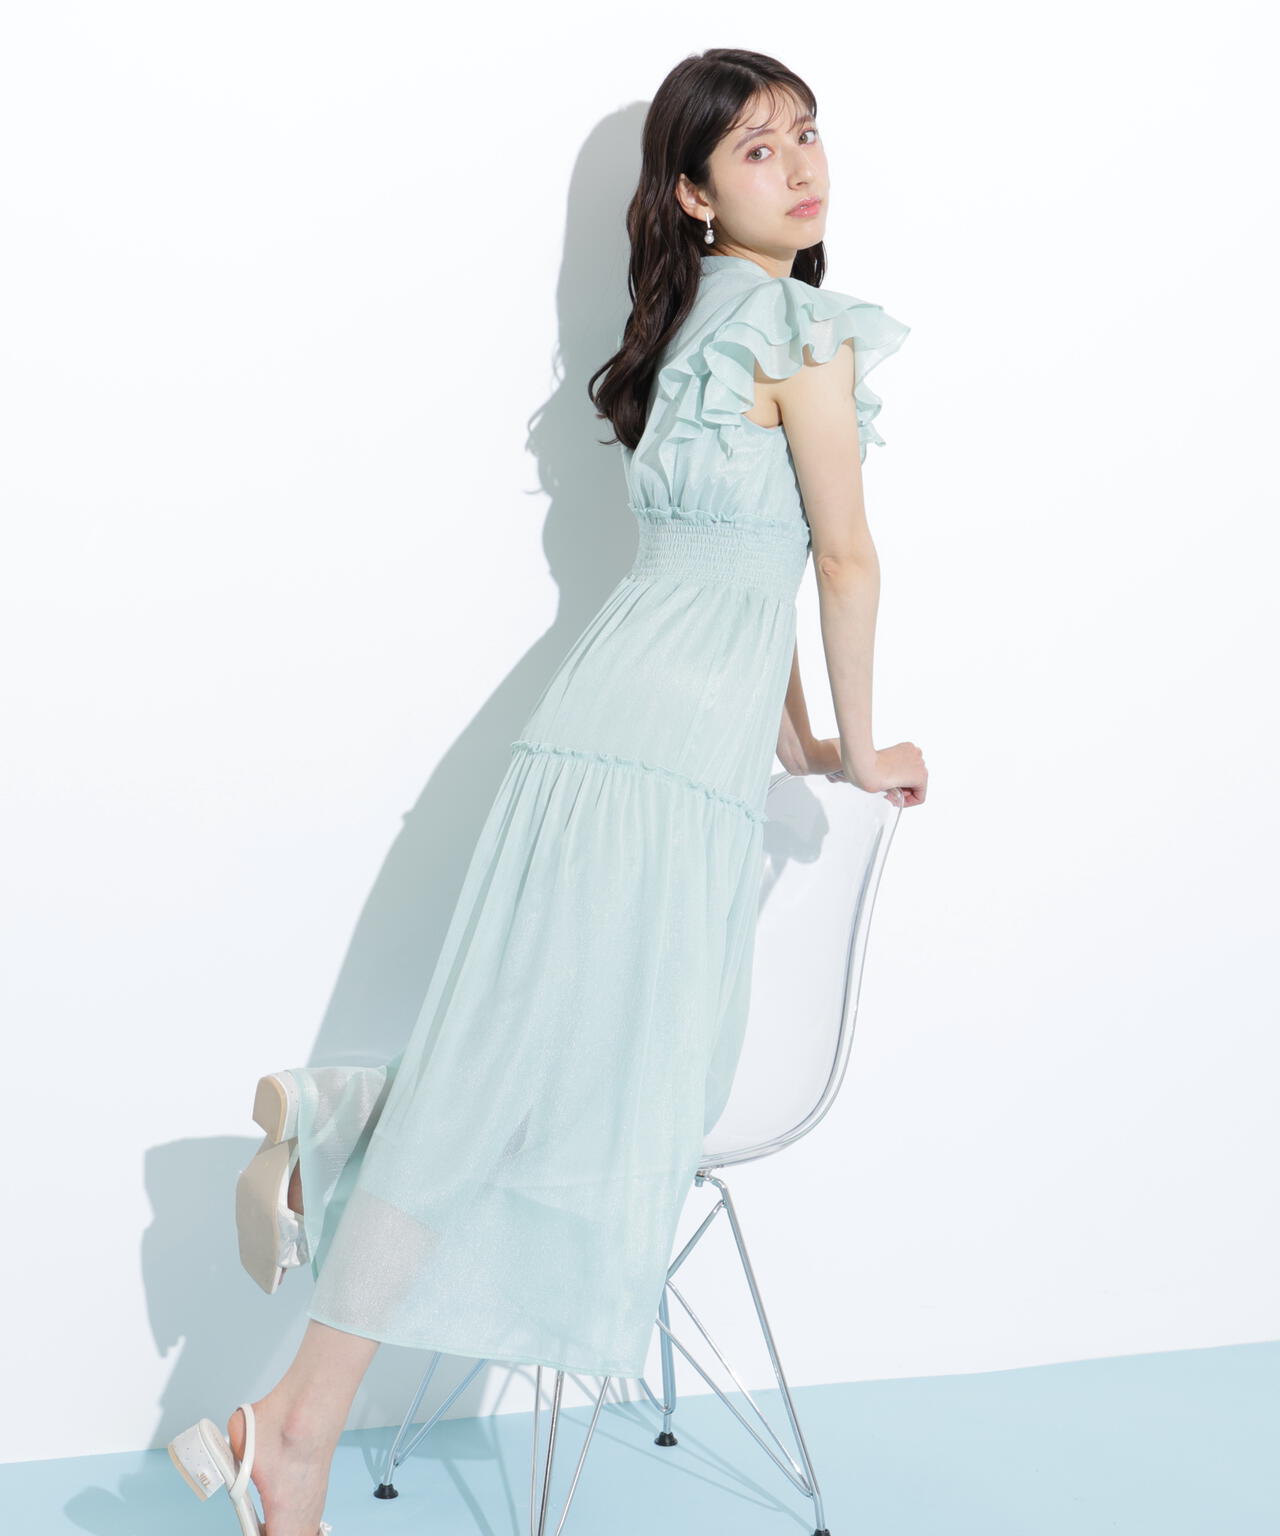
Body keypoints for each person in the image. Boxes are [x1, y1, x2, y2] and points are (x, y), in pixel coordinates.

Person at [167, 47, 927, 1536]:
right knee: (593, 1088)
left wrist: (794, 736)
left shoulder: (685, 330)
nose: (800, 165)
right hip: (663, 774)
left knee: (515, 1068)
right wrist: (854, 743)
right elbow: (838, 559)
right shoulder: (803, 332)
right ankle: (325, 1242)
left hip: (587, 734)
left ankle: (305, 1355)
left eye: (806, 134)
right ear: (695, 195)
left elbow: (729, 569)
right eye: (757, 148)